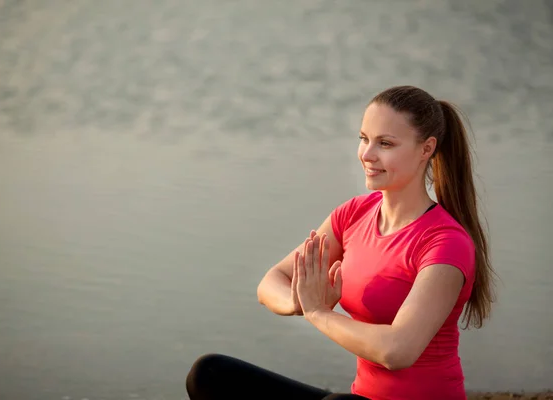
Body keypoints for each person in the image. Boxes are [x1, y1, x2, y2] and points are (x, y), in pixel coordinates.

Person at [185, 85, 496, 400]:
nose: (367, 155)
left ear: (426, 148)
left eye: (385, 144)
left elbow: (397, 351)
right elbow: (271, 282)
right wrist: (300, 301)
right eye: (364, 139)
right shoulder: (354, 215)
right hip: (359, 398)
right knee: (210, 374)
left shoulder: (445, 243)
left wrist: (320, 313)